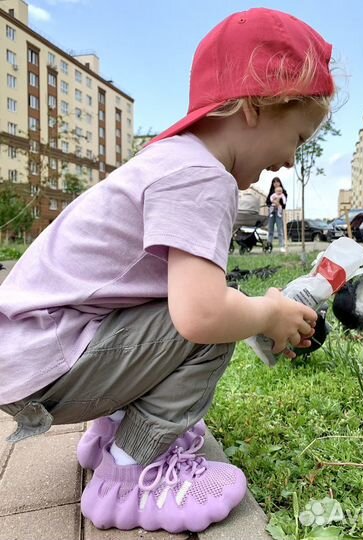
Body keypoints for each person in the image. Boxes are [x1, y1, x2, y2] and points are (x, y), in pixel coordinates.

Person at [0, 7, 335, 534]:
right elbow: (200, 316)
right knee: (212, 325)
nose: (291, 162)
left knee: (192, 304)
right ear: (255, 107)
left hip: (32, 355)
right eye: (296, 138)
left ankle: (112, 432)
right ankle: (135, 472)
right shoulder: (202, 177)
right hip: (45, 364)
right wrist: (267, 313)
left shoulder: (173, 160)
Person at [266, 177, 288, 252]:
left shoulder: (283, 192)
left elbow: (284, 204)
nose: (276, 183)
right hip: (272, 212)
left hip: (279, 212)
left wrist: (278, 203)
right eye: (274, 182)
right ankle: (269, 246)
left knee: (280, 229)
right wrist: (273, 203)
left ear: (280, 183)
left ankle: (282, 246)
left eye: (277, 182)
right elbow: (267, 202)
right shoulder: (271, 192)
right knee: (270, 230)